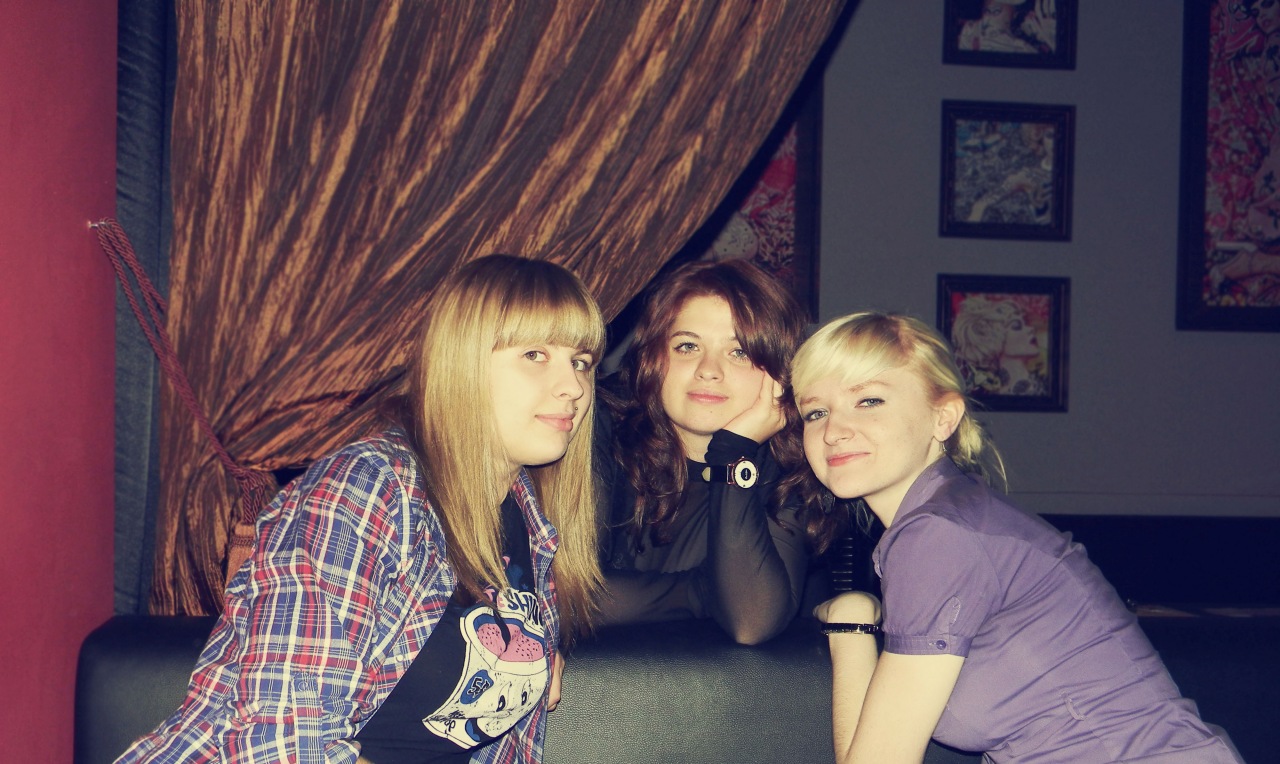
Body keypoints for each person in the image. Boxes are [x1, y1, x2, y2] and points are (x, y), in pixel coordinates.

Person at [116, 254, 606, 764]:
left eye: (581, 361)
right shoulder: (367, 489)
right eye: (534, 355)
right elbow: (285, 744)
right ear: (461, 364)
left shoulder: (529, 520)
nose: (573, 387)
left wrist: (530, 662)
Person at [782, 312, 1242, 763]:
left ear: (943, 418)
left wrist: (849, 627)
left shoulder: (940, 535)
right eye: (816, 412)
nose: (834, 431)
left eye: (868, 400)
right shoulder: (948, 517)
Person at [596, 259, 811, 645]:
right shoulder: (598, 426)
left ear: (778, 373)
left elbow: (752, 620)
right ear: (653, 358)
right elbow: (559, 597)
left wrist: (734, 454)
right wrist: (704, 591)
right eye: (687, 346)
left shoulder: (790, 466)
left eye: (739, 352)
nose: (708, 369)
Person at [949, 295, 1047, 396]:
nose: (1031, 329)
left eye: (1025, 323)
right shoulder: (982, 392)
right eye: (1016, 326)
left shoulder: (1044, 385)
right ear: (993, 339)